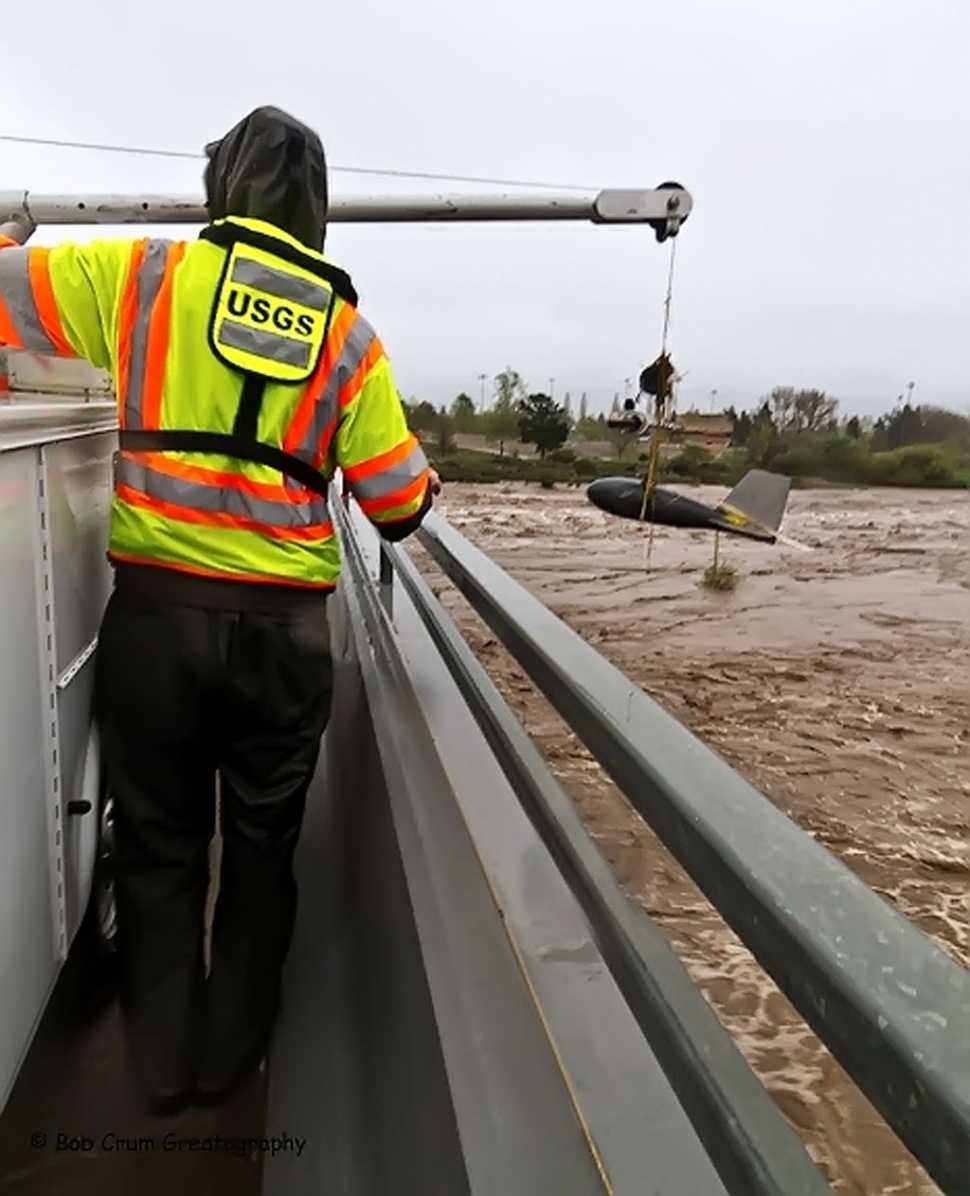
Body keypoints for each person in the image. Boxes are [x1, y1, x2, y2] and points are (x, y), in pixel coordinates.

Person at [0, 106, 438, 1115]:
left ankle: (160, 1064)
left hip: (157, 622)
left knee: (156, 844)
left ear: (221, 189)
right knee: (261, 848)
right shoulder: (347, 335)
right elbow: (400, 507)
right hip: (285, 640)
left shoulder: (144, 275)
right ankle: (228, 1062)